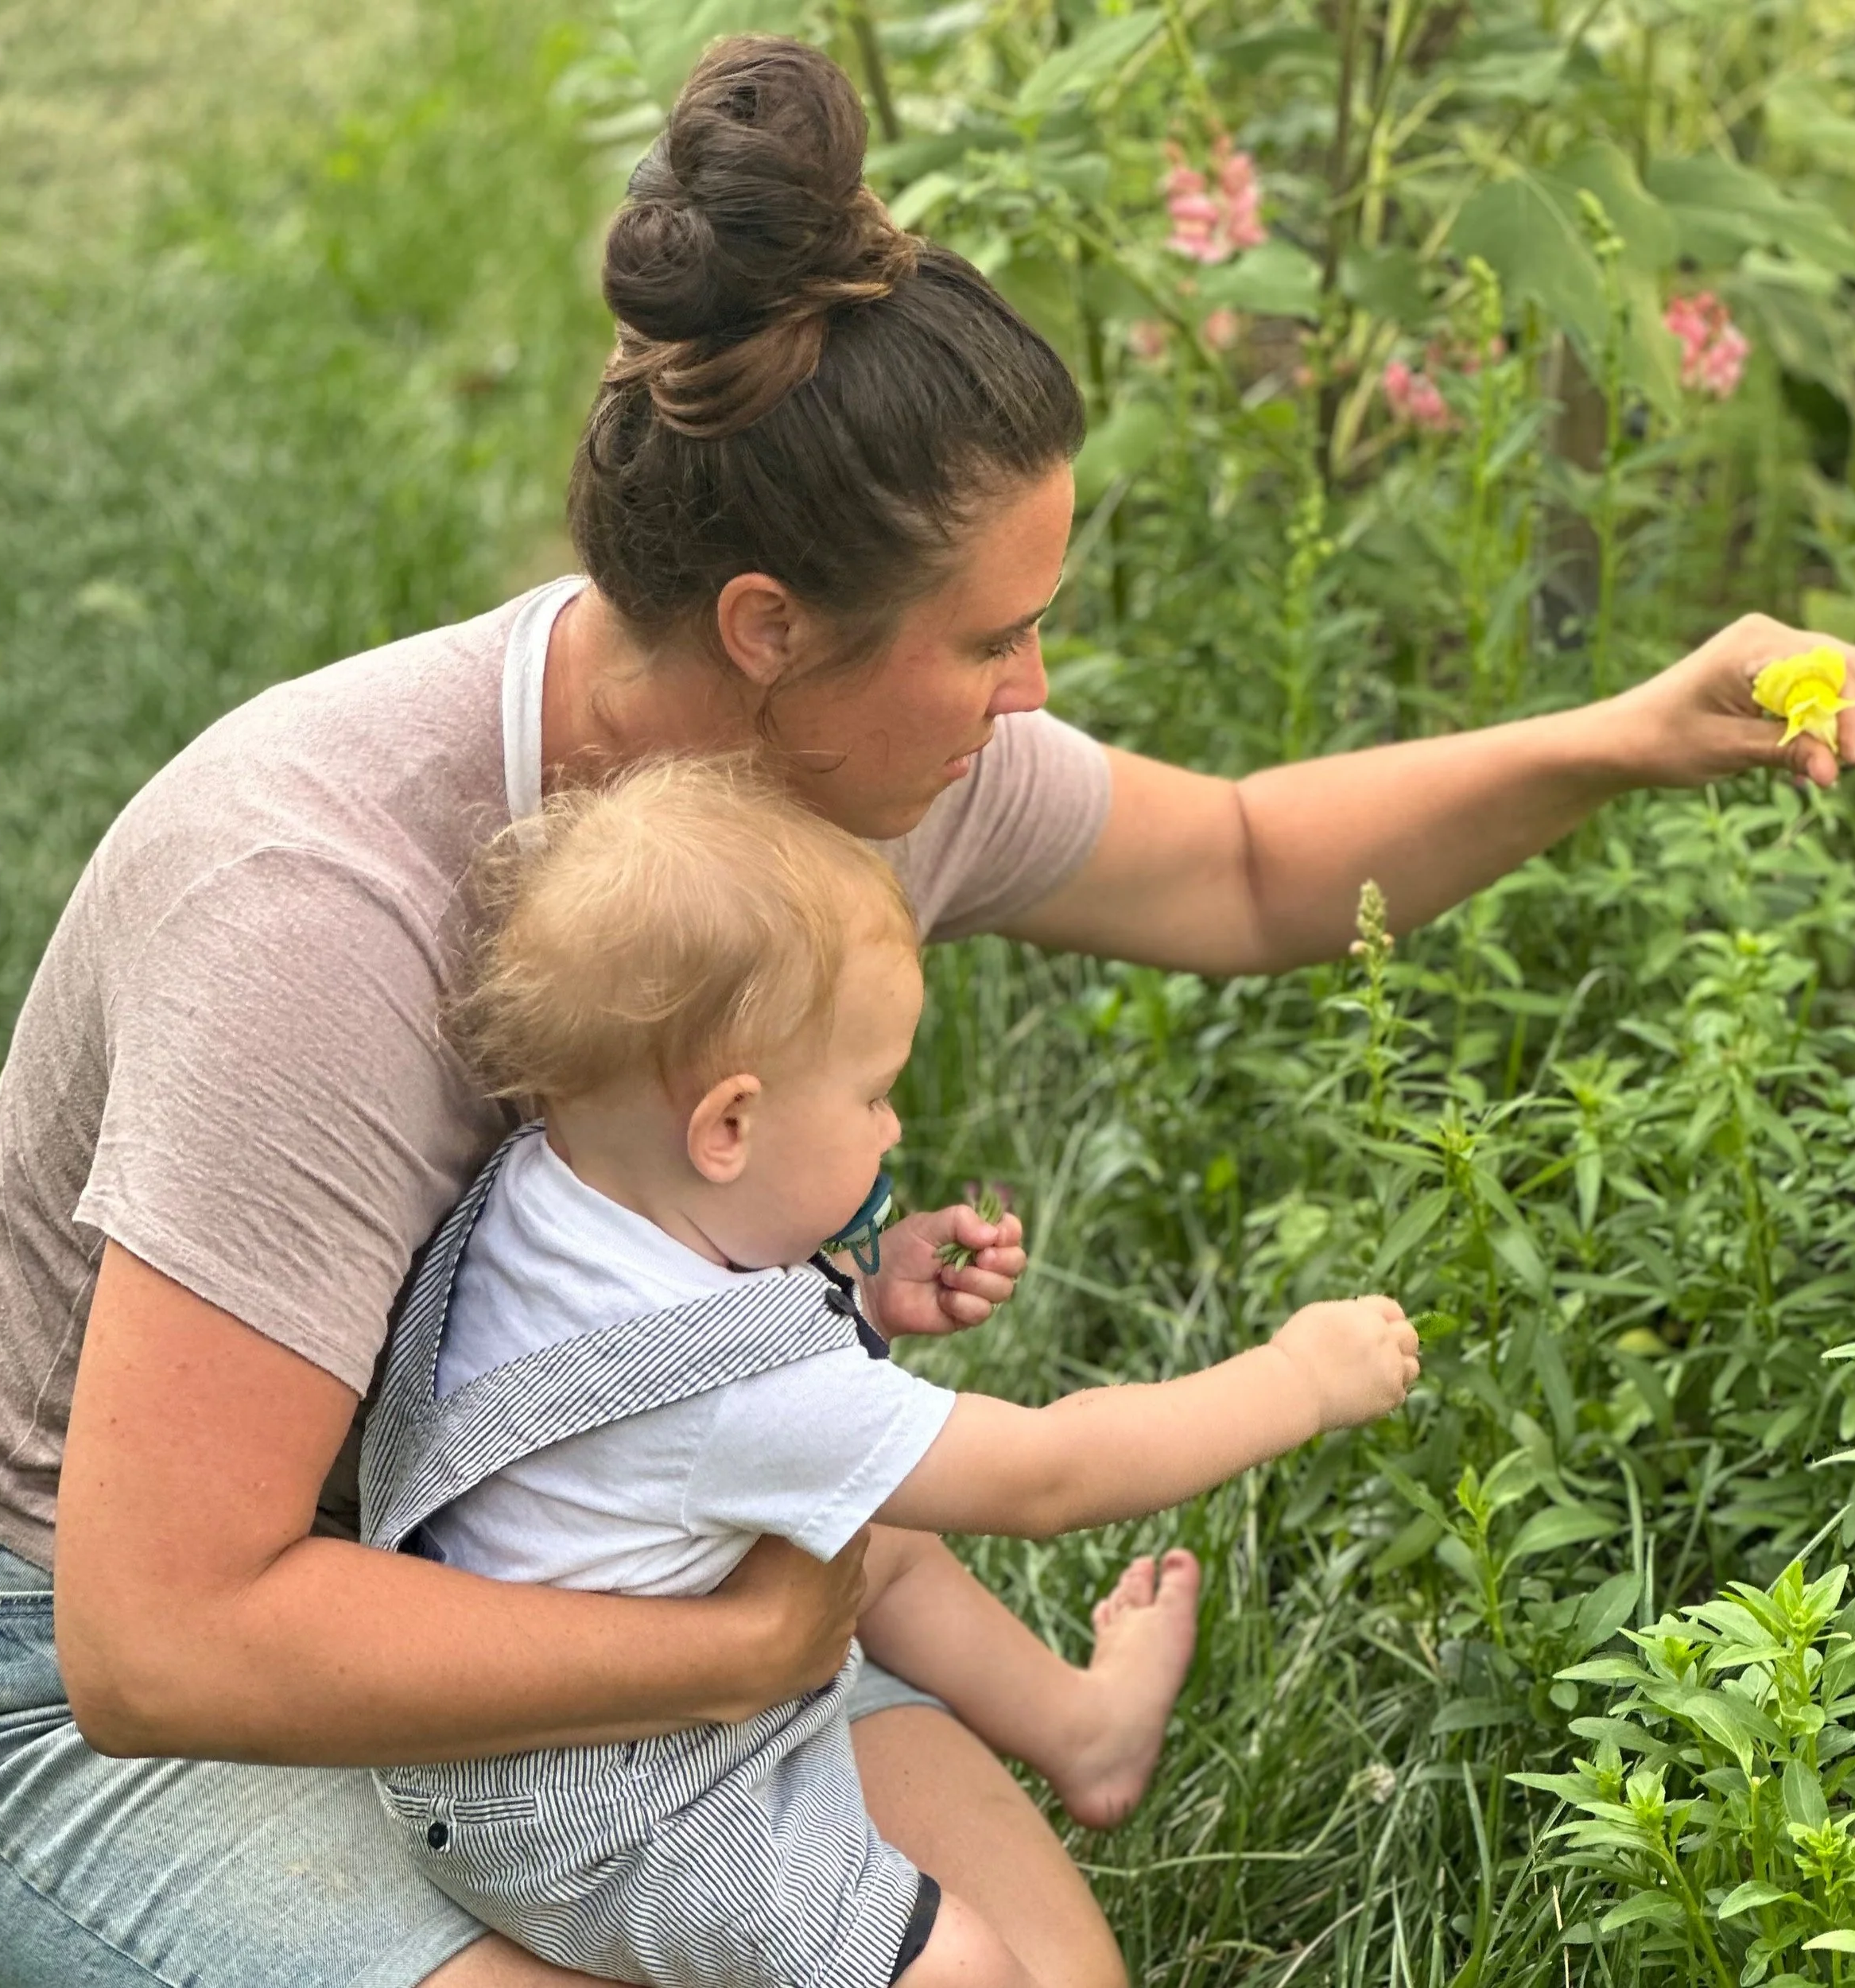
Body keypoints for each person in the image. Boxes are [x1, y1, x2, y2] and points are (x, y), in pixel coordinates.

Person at [0, 31, 1855, 1988]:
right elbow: (166, 1633)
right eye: (992, 637)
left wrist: (1626, 734)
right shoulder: (315, 905)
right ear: (765, 631)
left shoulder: (839, 780)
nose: (1031, 693)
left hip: (623, 1562)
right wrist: (729, 1646)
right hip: (98, 1668)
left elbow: (1238, 864)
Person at [359, 757, 1419, 1988]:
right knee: (971, 1970)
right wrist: (1297, 1379)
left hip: (489, 1726)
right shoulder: (754, 1400)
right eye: (874, 1095)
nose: (894, 1130)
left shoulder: (556, 1186)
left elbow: (659, 1382)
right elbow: (1049, 1476)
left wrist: (852, 1299)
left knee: (871, 1518)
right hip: (612, 1825)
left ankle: (1087, 1734)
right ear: (729, 1128)